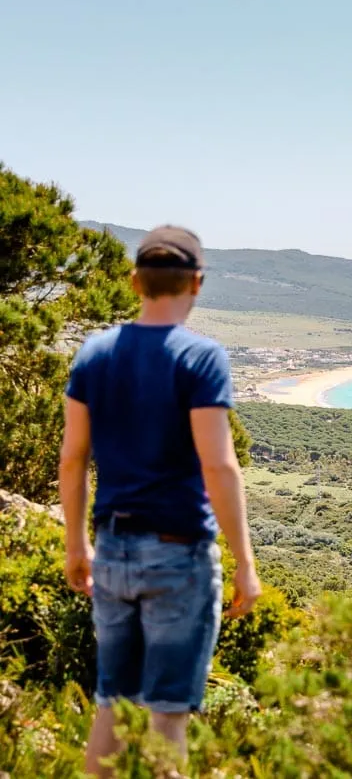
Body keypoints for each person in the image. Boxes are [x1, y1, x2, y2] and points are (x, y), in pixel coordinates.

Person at [58, 225, 262, 777]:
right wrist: (245, 562)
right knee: (167, 717)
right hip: (180, 556)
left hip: (113, 550)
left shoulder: (94, 354)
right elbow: (218, 464)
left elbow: (73, 459)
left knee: (113, 705)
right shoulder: (200, 358)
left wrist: (76, 545)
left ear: (134, 282)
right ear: (196, 283)